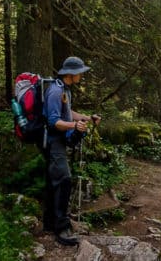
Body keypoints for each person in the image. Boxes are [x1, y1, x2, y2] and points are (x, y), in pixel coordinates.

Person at [42, 56, 101, 246]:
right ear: (71, 73)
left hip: (59, 141)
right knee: (64, 180)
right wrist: (75, 126)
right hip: (53, 142)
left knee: (54, 182)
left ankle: (49, 222)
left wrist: (87, 118)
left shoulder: (65, 89)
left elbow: (67, 113)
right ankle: (62, 229)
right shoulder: (55, 91)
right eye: (80, 72)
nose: (82, 75)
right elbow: (54, 122)